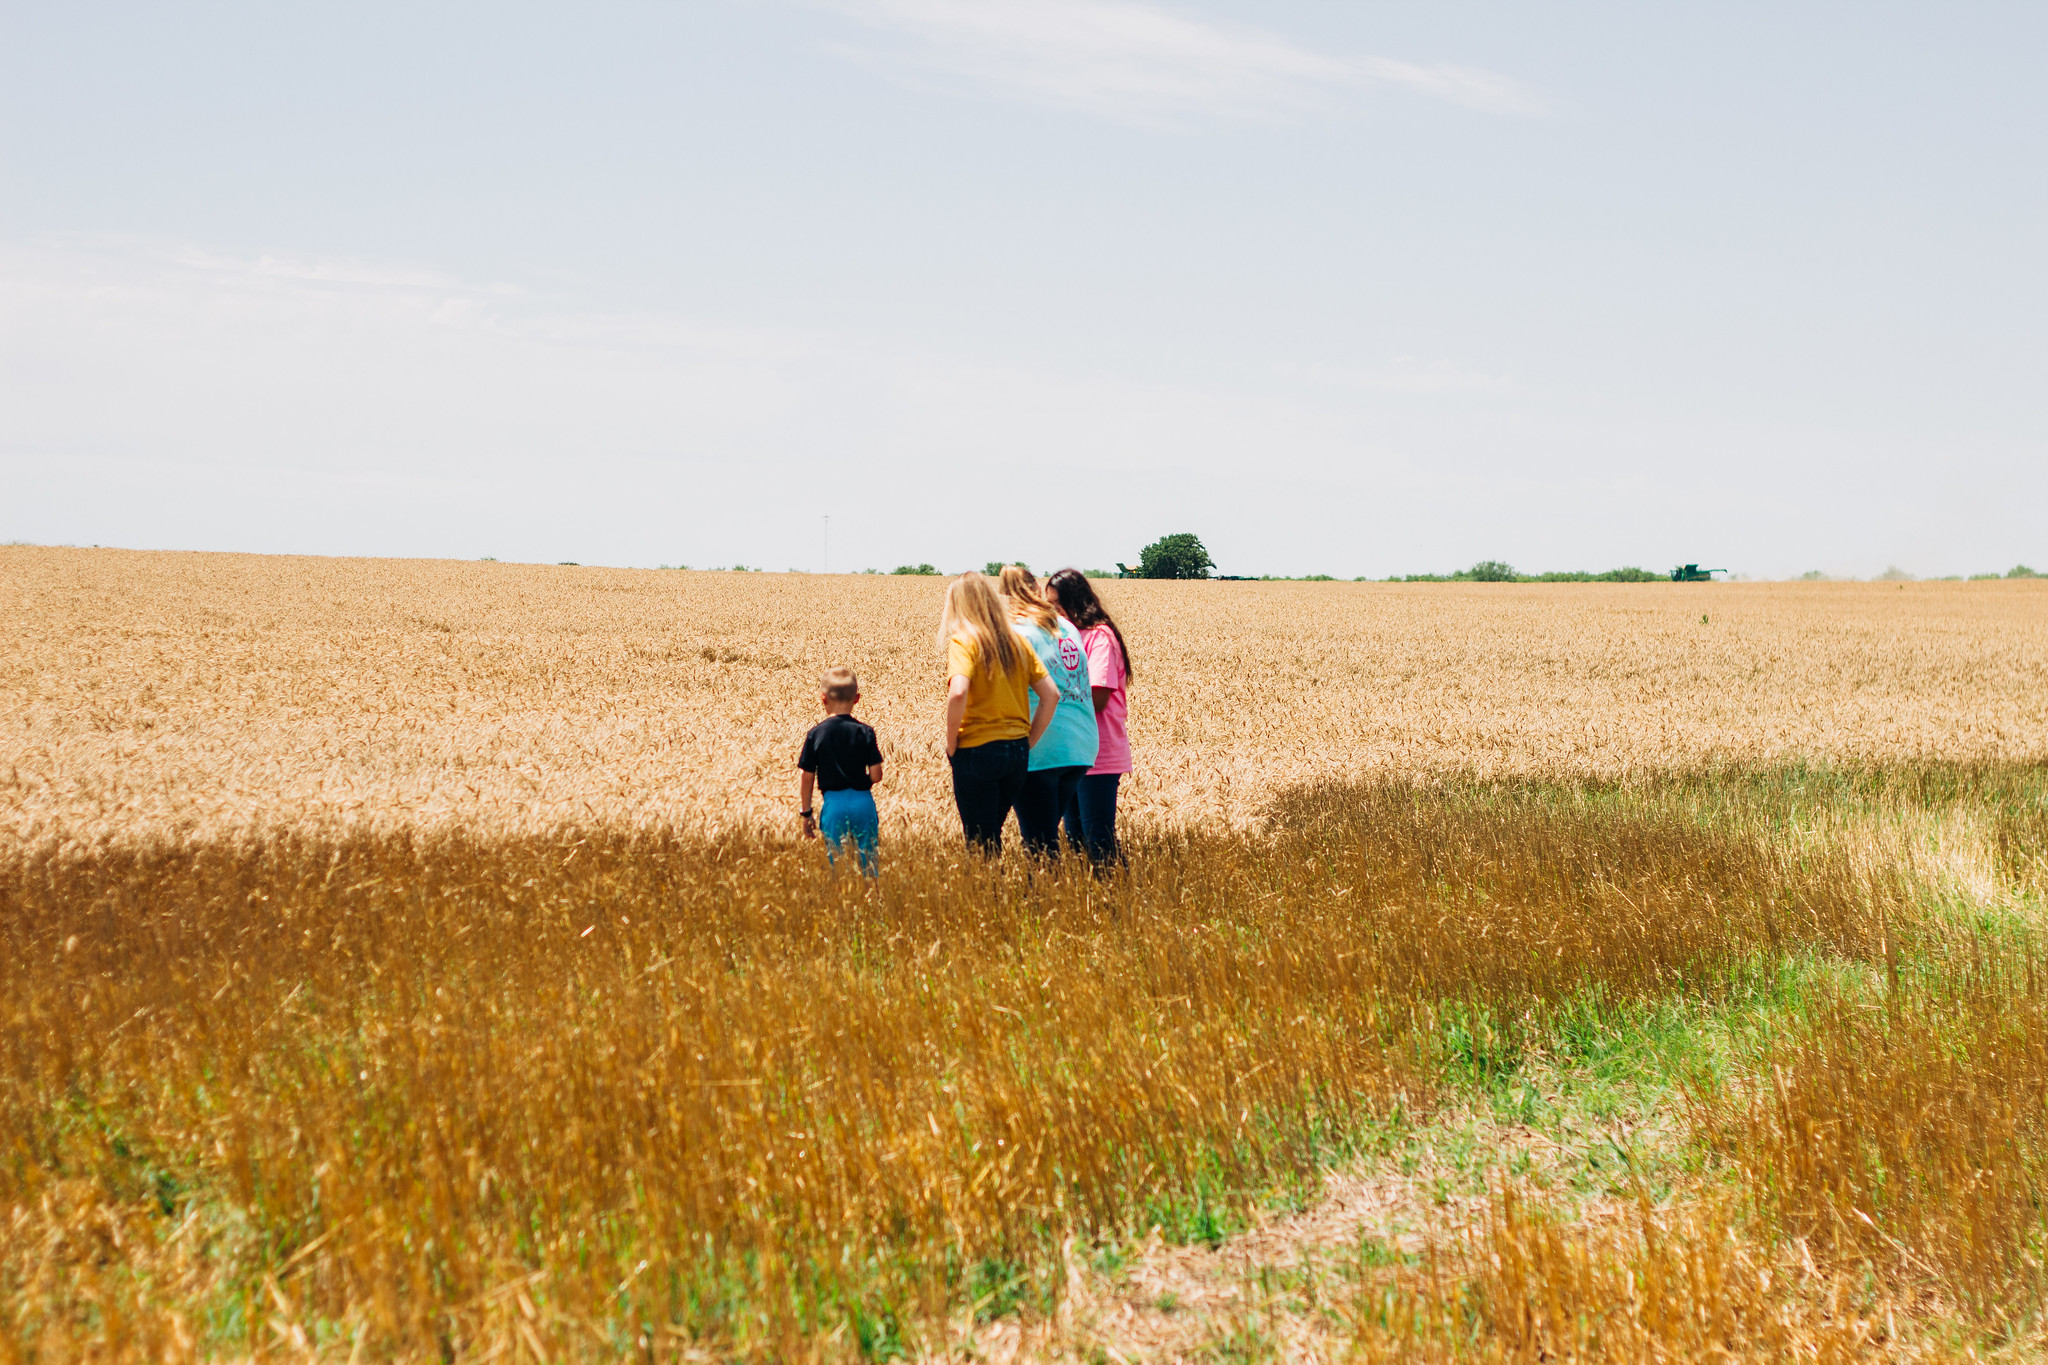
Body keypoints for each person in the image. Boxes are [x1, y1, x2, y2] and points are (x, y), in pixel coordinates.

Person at [940, 572, 1060, 854]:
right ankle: (995, 893)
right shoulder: (1017, 642)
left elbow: (958, 692)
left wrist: (951, 742)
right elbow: (1051, 695)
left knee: (980, 844)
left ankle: (986, 894)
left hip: (977, 749)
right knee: (991, 833)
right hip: (1016, 754)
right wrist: (1027, 741)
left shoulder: (965, 640)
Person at [998, 566, 1098, 857]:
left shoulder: (1018, 632)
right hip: (1081, 744)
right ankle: (1065, 897)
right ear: (1037, 590)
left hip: (1042, 747)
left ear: (1006, 597)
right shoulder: (1066, 626)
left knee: (1039, 845)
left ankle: (1044, 901)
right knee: (1045, 833)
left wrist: (1022, 746)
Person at [1044, 569, 1132, 865]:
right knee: (1076, 840)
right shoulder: (1067, 637)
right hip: (1072, 752)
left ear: (1074, 602)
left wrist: (1051, 703)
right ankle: (1090, 904)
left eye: (1055, 605)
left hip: (1100, 752)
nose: (1051, 612)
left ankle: (1115, 898)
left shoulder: (1100, 637)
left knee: (1099, 840)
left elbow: (1099, 696)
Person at [796, 666, 884, 874]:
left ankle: (844, 899)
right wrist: (862, 782)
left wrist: (807, 812)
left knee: (838, 864)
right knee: (869, 864)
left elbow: (806, 777)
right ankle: (870, 899)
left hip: (833, 804)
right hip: (863, 802)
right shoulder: (866, 732)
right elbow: (877, 774)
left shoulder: (815, 734)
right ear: (857, 698)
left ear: (823, 699)